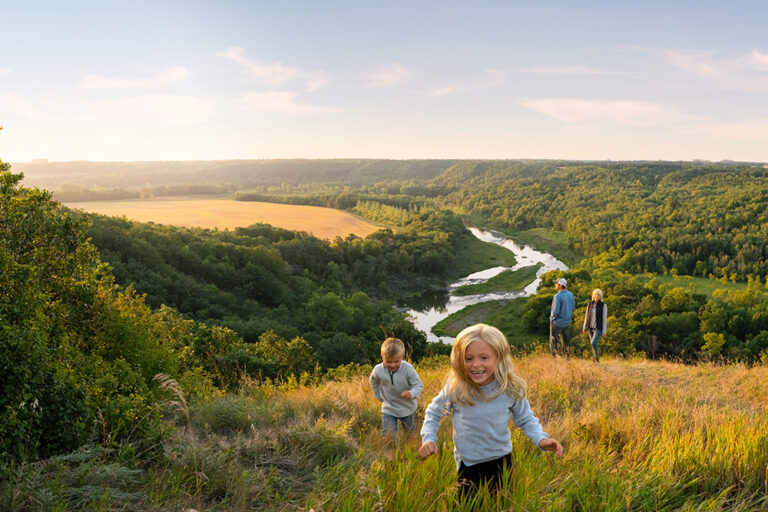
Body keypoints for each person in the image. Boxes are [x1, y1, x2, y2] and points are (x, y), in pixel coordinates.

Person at [419, 324, 563, 497]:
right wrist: (428, 439)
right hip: (468, 464)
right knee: (469, 506)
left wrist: (541, 439)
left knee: (499, 503)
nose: (476, 364)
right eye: (468, 358)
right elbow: (434, 412)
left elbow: (526, 419)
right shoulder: (457, 388)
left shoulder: (509, 388)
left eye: (484, 357)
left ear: (499, 358)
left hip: (501, 461)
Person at [369, 337, 424, 437]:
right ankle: (390, 451)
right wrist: (378, 395)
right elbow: (373, 380)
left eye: (396, 361)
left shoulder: (408, 369)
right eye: (388, 362)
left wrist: (411, 393)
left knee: (410, 435)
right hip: (389, 407)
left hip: (406, 407)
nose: (392, 365)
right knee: (388, 435)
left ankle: (409, 449)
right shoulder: (378, 370)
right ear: (382, 357)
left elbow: (418, 384)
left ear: (402, 357)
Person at [549, 277, 575, 358]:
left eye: (556, 284)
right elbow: (573, 307)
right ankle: (567, 359)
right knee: (566, 343)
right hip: (566, 322)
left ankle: (554, 359)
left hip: (557, 323)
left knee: (554, 342)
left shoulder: (557, 296)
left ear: (560, 285)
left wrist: (551, 318)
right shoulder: (570, 294)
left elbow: (555, 311)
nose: (555, 285)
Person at [582, 288, 607, 363]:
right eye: (595, 294)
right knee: (592, 344)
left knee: (593, 343)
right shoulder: (590, 304)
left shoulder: (603, 305)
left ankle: (597, 358)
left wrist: (604, 331)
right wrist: (584, 326)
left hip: (598, 328)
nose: (597, 296)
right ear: (593, 295)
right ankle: (595, 360)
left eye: (598, 294)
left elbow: (604, 319)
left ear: (600, 296)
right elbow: (586, 315)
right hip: (590, 327)